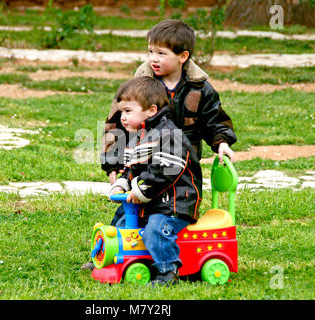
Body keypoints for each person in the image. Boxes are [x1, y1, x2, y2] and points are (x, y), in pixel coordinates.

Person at [83, 19, 237, 272]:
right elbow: (116, 124)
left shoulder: (200, 89)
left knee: (162, 215)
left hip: (180, 171)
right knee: (126, 214)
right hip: (142, 164)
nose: (153, 58)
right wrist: (113, 163)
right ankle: (113, 256)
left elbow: (215, 119)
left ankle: (163, 261)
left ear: (183, 56)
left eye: (161, 53)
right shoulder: (139, 87)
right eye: (150, 51)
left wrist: (221, 142)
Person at [110, 76, 202, 286]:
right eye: (121, 111)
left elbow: (164, 172)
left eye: (128, 111)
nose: (122, 117)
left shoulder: (169, 136)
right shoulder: (138, 135)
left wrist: (140, 191)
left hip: (174, 203)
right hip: (153, 201)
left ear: (151, 111)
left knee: (156, 229)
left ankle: (167, 271)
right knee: (122, 222)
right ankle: (111, 258)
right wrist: (122, 184)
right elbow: (132, 169)